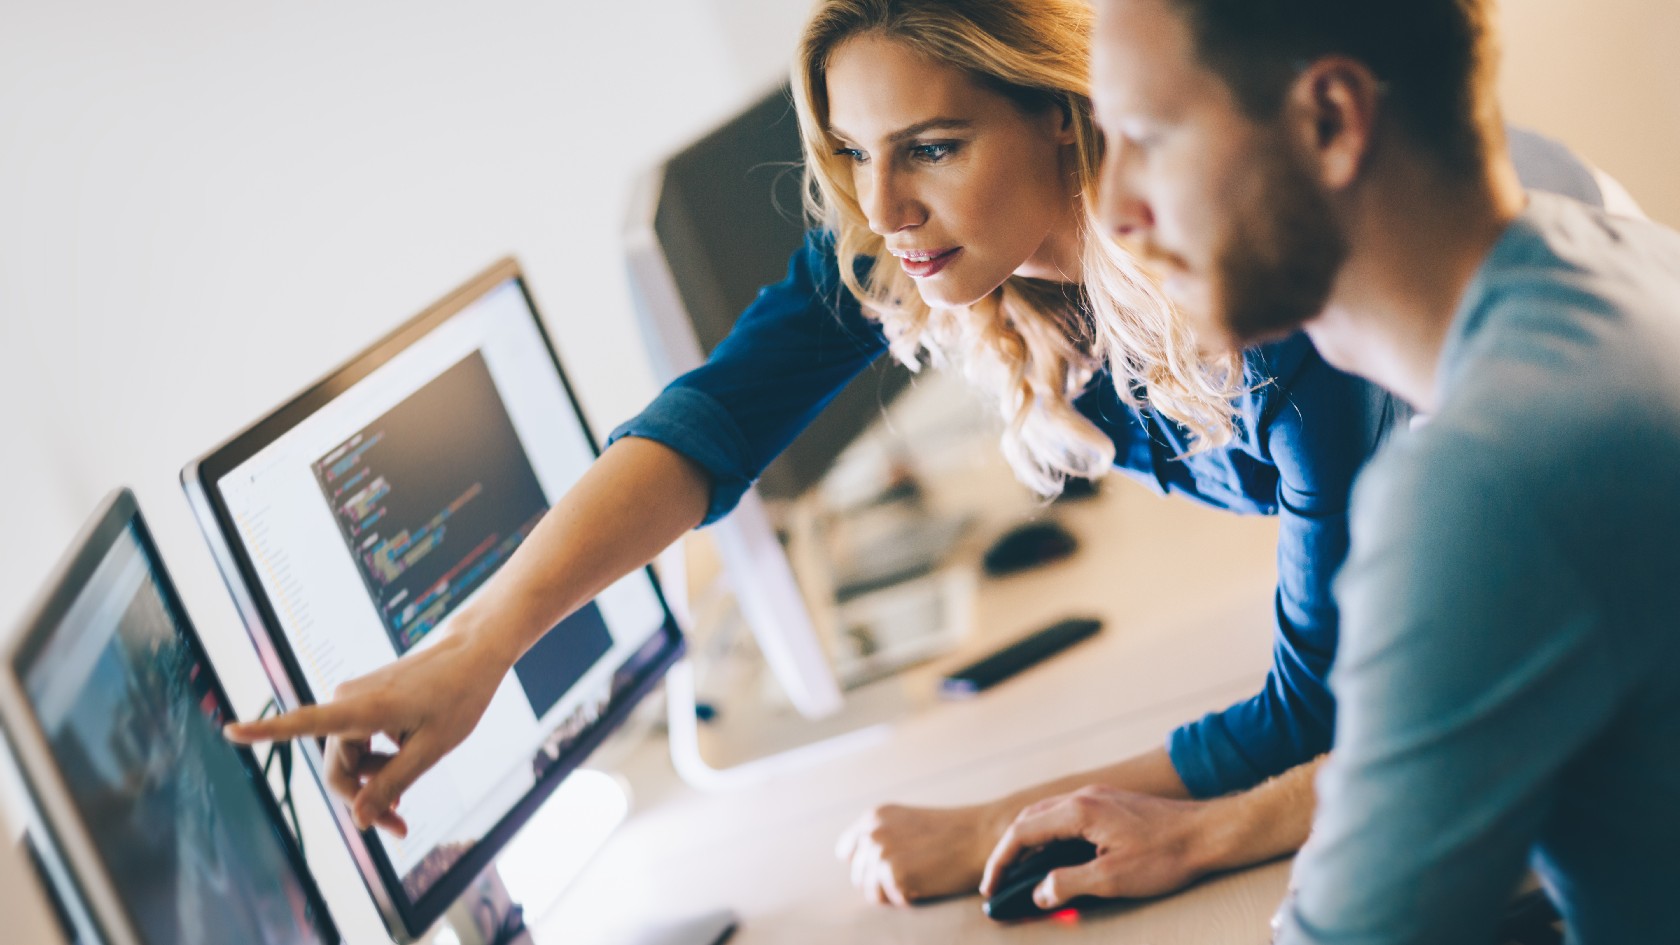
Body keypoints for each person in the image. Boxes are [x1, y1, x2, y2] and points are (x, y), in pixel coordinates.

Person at [225, 0, 1603, 913]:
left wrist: (994, 822)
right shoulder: (936, 243)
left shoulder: (1271, 276)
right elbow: (711, 421)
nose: (884, 212)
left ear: (1065, 116)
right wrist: (482, 647)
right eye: (850, 154)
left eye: (933, 147)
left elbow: (1321, 703)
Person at [984, 0, 1680, 941]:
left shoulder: (1487, 478)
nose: (1112, 209)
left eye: (1148, 138)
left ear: (1330, 123)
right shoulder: (1618, 262)